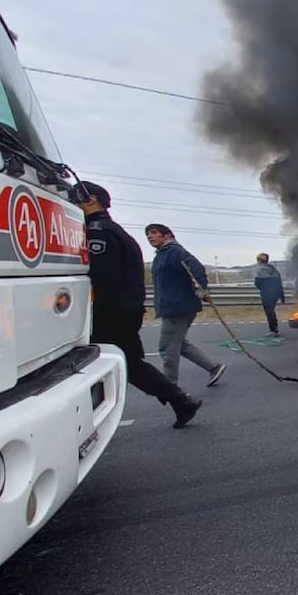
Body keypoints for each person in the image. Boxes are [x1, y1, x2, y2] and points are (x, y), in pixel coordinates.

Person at [76, 182, 202, 429]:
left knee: (107, 364)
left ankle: (179, 399)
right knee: (130, 364)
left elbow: (99, 277)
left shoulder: (98, 233)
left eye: (75, 199)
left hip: (110, 312)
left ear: (90, 200)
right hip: (124, 310)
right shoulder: (116, 231)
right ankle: (180, 400)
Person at [147, 223, 228, 385]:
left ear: (167, 235)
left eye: (154, 233)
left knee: (167, 348)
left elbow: (196, 269)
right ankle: (213, 367)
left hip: (178, 307)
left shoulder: (175, 252)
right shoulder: (161, 255)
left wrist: (202, 291)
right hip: (172, 306)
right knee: (179, 344)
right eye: (148, 234)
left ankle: (170, 389)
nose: (150, 237)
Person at [254, 253, 286, 336]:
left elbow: (257, 284)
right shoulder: (274, 270)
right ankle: (274, 328)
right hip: (275, 294)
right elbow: (280, 284)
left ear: (259, 260)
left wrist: (264, 288)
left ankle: (273, 330)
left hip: (266, 294)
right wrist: (282, 297)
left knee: (269, 312)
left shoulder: (259, 270)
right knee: (271, 311)